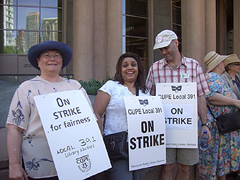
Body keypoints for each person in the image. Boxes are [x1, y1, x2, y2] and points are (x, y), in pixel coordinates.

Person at [6, 41, 94, 180]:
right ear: (38, 61)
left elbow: (90, 121)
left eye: (56, 55)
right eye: (47, 55)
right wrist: (14, 165)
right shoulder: (27, 88)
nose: (52, 59)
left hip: (76, 161)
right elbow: (15, 128)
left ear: (62, 61)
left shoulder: (74, 86)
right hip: (41, 167)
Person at [145, 29, 211, 180]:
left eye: (166, 47)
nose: (163, 52)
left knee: (185, 167)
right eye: (161, 49)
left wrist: (205, 124)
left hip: (187, 127)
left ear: (176, 43)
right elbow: (148, 96)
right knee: (167, 166)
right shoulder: (155, 68)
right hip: (164, 128)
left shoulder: (194, 66)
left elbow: (200, 96)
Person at [93, 52, 149, 180]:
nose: (129, 68)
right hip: (117, 145)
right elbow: (96, 113)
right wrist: (98, 141)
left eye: (133, 65)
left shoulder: (145, 91)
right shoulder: (110, 87)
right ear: (120, 69)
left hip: (141, 146)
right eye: (125, 65)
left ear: (138, 68)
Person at [197, 51, 240, 180]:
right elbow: (212, 97)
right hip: (217, 128)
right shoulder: (212, 77)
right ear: (218, 64)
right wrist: (235, 102)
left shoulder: (214, 77)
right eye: (222, 62)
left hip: (220, 128)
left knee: (218, 163)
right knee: (214, 163)